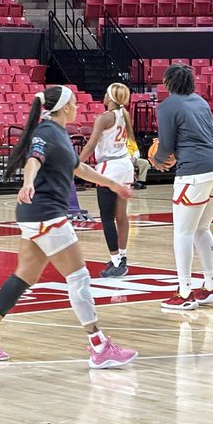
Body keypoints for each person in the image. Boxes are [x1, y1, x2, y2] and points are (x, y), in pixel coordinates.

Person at [0, 85, 137, 369]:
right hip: (46, 214)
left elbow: (79, 169)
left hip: (36, 215)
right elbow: (34, 159)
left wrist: (114, 184)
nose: (78, 107)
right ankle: (99, 346)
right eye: (75, 103)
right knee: (79, 278)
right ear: (65, 107)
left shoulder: (58, 133)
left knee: (24, 277)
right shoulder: (46, 132)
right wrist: (27, 182)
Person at [151, 64, 213, 312]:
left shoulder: (167, 106)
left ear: (168, 83)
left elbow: (165, 145)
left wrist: (157, 160)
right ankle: (210, 285)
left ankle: (185, 291)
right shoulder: (200, 101)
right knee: (201, 228)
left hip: (196, 171)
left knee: (183, 232)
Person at [79, 83, 136, 278]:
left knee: (106, 217)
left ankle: (115, 261)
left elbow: (90, 145)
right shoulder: (125, 114)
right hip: (124, 165)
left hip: (110, 167)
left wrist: (75, 164)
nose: (103, 96)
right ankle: (122, 256)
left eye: (105, 93)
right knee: (121, 216)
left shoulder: (105, 118)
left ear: (110, 97)